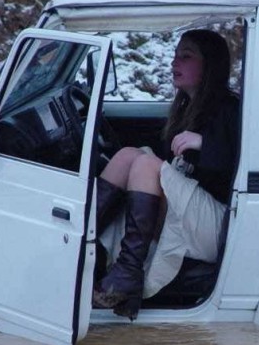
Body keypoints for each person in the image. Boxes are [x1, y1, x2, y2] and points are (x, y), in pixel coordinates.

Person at [93, 29, 240, 320]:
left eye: (186, 56)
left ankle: (128, 275)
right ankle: (87, 248)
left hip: (222, 224)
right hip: (192, 214)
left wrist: (205, 144)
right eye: (175, 55)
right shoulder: (186, 107)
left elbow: (245, 163)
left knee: (147, 164)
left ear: (209, 64)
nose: (175, 63)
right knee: (127, 156)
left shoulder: (231, 108)